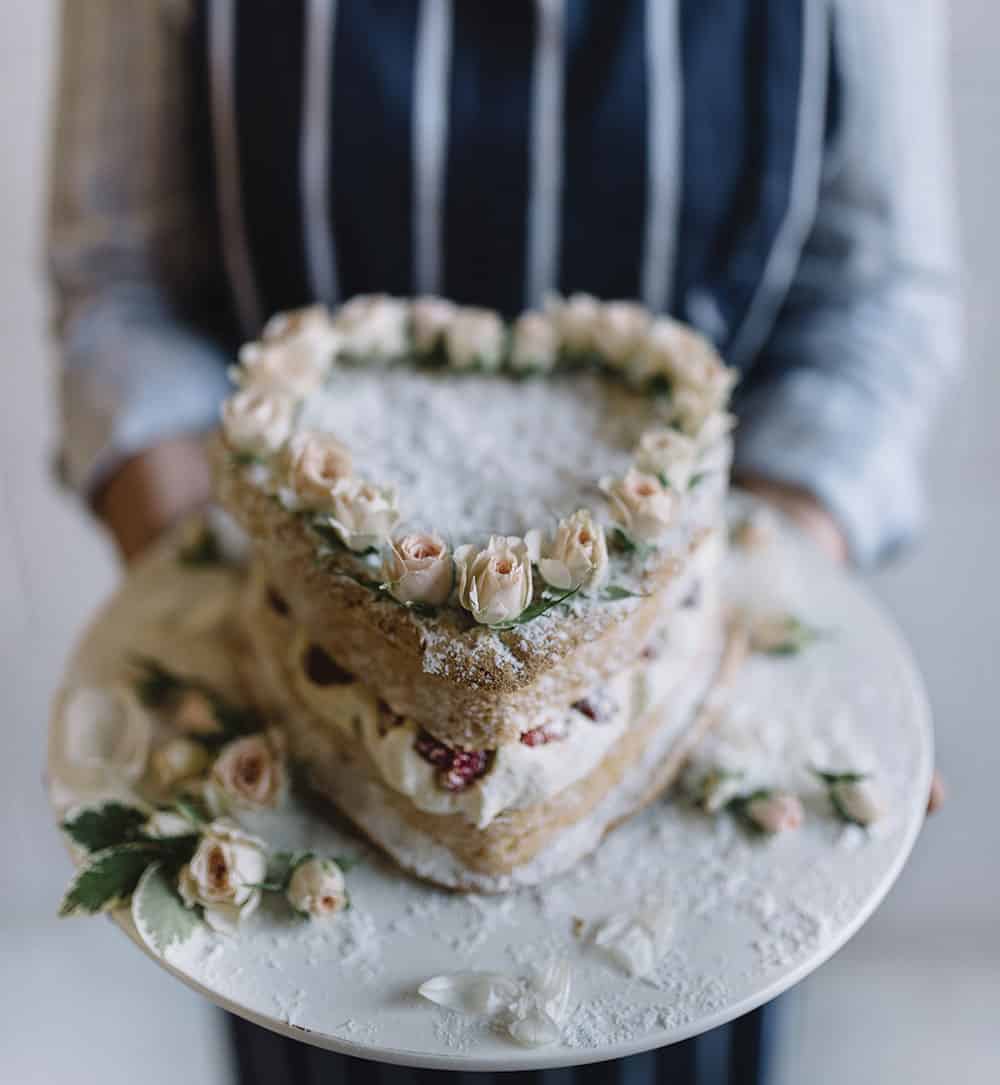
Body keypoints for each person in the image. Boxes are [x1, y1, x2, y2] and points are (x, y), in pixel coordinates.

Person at [47, 1, 956, 1081]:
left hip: (682, 884)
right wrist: (222, 585)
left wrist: (722, 608)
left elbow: (876, 303)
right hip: (300, 803)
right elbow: (122, 282)